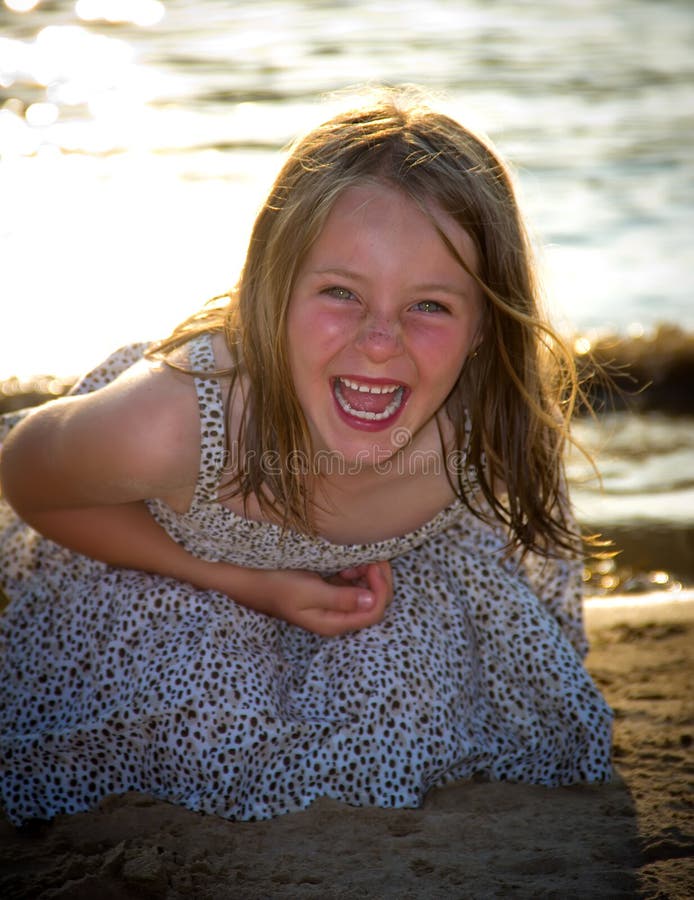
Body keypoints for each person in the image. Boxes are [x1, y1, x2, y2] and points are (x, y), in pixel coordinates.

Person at [0, 86, 612, 826]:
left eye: (430, 306)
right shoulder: (180, 423)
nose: (380, 340)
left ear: (485, 326)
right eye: (340, 293)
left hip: (372, 599)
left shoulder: (482, 416)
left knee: (421, 719)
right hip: (158, 555)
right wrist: (245, 582)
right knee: (203, 731)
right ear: (272, 295)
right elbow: (26, 475)